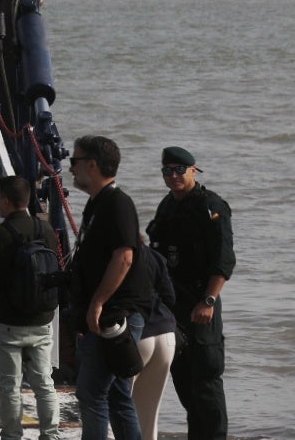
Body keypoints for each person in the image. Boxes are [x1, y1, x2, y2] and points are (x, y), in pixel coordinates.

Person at [68, 134, 152, 440]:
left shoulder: (118, 203)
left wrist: (97, 302)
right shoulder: (97, 204)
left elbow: (124, 256)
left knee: (91, 393)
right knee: (117, 396)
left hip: (115, 314)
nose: (71, 168)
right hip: (108, 312)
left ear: (92, 164)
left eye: (74, 161)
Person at [146, 145, 232, 440]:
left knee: (206, 377)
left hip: (201, 301)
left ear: (193, 170)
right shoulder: (168, 205)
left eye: (179, 170)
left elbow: (224, 260)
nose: (173, 176)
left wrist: (209, 300)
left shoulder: (211, 206)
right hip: (172, 305)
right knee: (182, 376)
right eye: (167, 171)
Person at [0, 175, 62, 440]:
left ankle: (12, 435)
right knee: (44, 383)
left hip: (7, 322)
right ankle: (51, 434)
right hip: (42, 320)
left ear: (5, 201)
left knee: (10, 386)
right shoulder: (46, 230)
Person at [132, 233, 180, 440]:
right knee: (149, 417)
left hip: (138, 336)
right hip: (166, 334)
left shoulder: (117, 259)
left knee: (117, 405)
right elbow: (170, 297)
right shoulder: (155, 257)